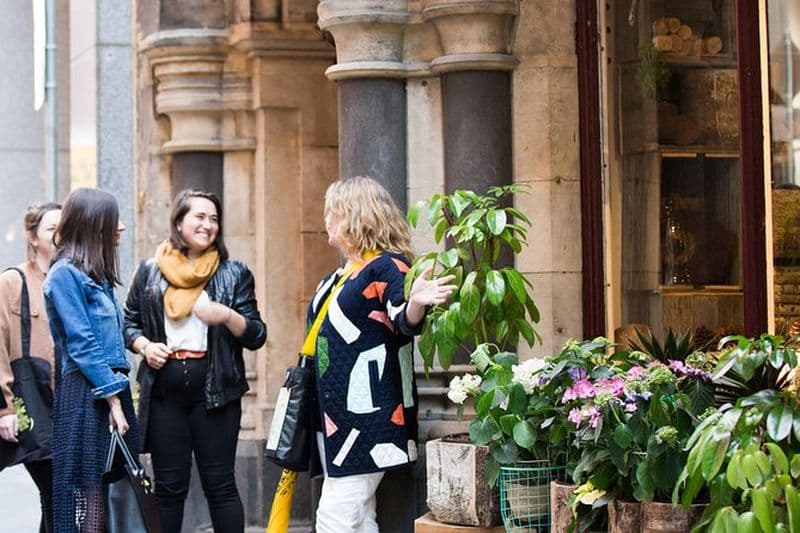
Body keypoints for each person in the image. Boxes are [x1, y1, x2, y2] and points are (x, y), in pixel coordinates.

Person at [310, 176, 456, 532]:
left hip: (368, 418)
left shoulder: (389, 266)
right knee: (359, 518)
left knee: (335, 516)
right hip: (333, 416)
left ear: (352, 215)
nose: (326, 219)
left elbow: (402, 319)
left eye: (332, 211)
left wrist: (415, 304)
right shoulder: (339, 277)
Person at [124, 189, 267, 533]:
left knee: (220, 485)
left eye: (214, 218)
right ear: (179, 222)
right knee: (169, 489)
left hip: (215, 392)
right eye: (199, 217)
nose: (208, 225)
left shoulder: (234, 273)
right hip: (164, 394)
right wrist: (145, 346)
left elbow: (257, 334)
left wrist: (226, 315)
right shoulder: (149, 271)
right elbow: (128, 322)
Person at [42, 188, 135, 532]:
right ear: (95, 225)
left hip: (107, 388)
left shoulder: (95, 274)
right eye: (114, 220)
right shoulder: (65, 274)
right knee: (87, 493)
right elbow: (81, 343)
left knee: (103, 490)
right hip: (87, 392)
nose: (121, 227)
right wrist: (112, 398)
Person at [0, 201, 61, 532]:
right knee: (55, 491)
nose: (59, 235)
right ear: (32, 237)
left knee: (56, 497)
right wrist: (4, 408)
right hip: (32, 402)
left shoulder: (72, 278)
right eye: (52, 229)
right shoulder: (12, 281)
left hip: (70, 403)